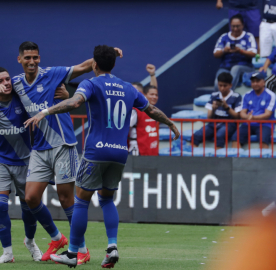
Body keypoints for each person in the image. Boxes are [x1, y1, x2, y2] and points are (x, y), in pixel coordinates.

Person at [24, 45, 179, 268]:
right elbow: (151, 111)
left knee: (80, 201)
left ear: (94, 64)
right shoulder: (128, 88)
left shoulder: (91, 83)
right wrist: (170, 122)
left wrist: (45, 111)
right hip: (119, 153)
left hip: (96, 150)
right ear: (114, 64)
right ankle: (112, 246)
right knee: (106, 199)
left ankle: (73, 252)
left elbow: (75, 102)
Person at [10, 41, 122, 263]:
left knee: (65, 197)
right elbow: (1, 91)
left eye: (35, 57)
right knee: (30, 197)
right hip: (39, 147)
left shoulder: (53, 74)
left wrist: (109, 55)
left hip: (63, 144)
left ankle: (81, 249)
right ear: (19, 60)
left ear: (39, 59)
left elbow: (84, 66)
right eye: (27, 58)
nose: (32, 61)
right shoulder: (16, 83)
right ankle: (56, 237)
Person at [0, 67, 68, 263]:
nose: (6, 83)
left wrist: (66, 95)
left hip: (26, 160)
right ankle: (7, 253)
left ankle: (30, 241)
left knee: (29, 206)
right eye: (0, 81)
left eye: (7, 79)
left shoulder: (21, 97)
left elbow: (47, 98)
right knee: (1, 205)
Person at [193, 72, 242, 149]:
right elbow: (209, 118)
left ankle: (218, 159)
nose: (222, 88)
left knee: (219, 136)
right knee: (196, 135)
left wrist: (226, 107)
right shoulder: (214, 95)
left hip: (229, 124)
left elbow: (238, 117)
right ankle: (191, 158)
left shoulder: (236, 96)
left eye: (225, 86)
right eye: (220, 85)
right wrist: (213, 109)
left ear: (230, 85)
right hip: (214, 123)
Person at [231, 71, 276, 149]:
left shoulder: (271, 95)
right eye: (253, 81)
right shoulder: (246, 95)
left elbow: (267, 114)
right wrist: (247, 117)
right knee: (235, 138)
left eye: (257, 81)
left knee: (263, 139)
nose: (255, 83)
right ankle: (238, 160)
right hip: (248, 123)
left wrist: (253, 117)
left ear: (264, 82)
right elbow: (242, 113)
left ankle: (263, 160)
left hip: (265, 124)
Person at [214, 14, 257, 92]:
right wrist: (224, 51)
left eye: (238, 26)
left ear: (243, 25)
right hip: (225, 67)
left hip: (245, 67)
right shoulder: (224, 37)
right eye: (233, 26)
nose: (235, 29)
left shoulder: (248, 36)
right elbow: (215, 54)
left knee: (236, 68)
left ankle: (228, 94)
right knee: (217, 84)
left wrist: (240, 51)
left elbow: (253, 53)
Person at [129, 85, 160, 156]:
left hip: (152, 151)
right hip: (137, 152)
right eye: (152, 94)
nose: (154, 97)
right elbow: (125, 128)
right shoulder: (136, 111)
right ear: (144, 95)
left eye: (156, 95)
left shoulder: (154, 110)